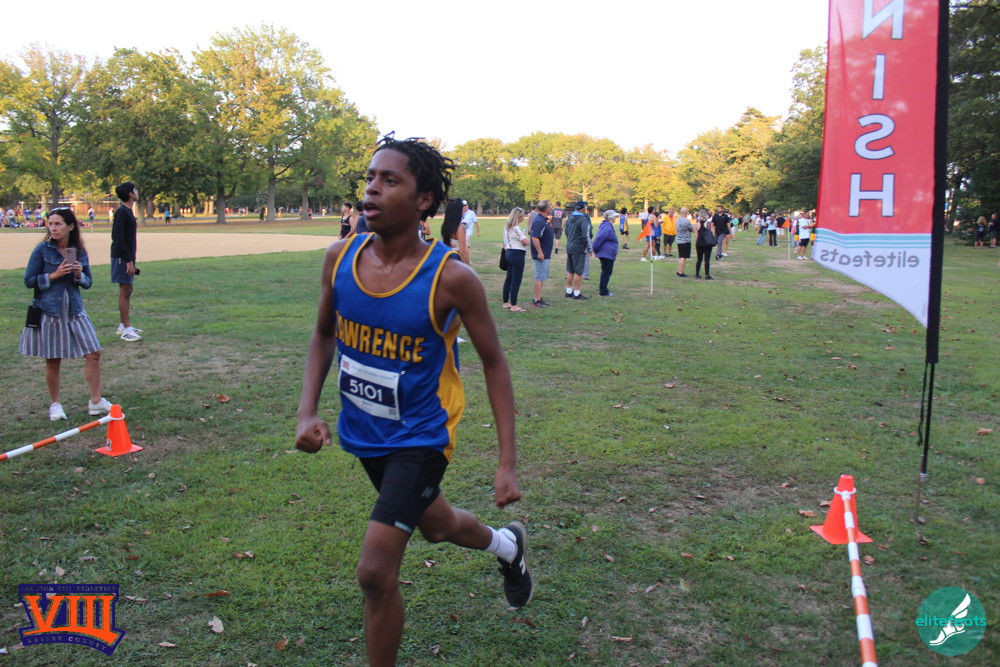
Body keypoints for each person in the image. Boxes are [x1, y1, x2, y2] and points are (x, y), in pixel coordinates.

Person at [295, 136, 531, 667]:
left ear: (424, 200)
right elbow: (324, 334)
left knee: (375, 572)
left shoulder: (452, 278)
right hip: (365, 434)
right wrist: (307, 410)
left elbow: (495, 363)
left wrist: (506, 462)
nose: (372, 190)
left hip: (421, 437)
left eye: (390, 180)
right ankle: (508, 547)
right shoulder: (339, 257)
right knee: (437, 525)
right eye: (370, 178)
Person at [20, 208, 113, 421]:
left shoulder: (76, 251)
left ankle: (96, 401)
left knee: (94, 353)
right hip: (50, 311)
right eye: (51, 224)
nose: (53, 228)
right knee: (53, 360)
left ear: (70, 226)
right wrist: (53, 275)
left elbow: (88, 282)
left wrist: (79, 275)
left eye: (58, 224)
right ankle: (55, 405)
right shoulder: (42, 250)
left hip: (75, 310)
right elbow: (28, 281)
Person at [111, 182, 142, 341]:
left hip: (128, 256)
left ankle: (124, 325)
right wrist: (127, 261)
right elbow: (117, 238)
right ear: (130, 194)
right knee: (124, 290)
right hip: (122, 257)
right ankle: (126, 330)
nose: (136, 192)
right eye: (134, 190)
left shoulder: (128, 211)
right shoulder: (122, 212)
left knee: (129, 289)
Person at [502, 207, 529, 312]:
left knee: (509, 278)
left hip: (508, 252)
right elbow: (525, 241)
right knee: (516, 280)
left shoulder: (507, 227)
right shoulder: (516, 228)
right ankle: (514, 304)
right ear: (519, 217)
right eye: (522, 216)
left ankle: (505, 301)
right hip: (517, 254)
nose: (523, 218)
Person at [563, 201, 592, 299]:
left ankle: (568, 291)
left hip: (570, 245)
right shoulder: (583, 219)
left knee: (570, 270)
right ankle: (577, 293)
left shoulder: (570, 217)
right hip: (578, 247)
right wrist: (589, 248)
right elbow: (585, 235)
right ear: (583, 208)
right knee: (579, 272)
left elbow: (566, 231)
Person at [529, 200, 554, 308]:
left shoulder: (544, 220)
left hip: (545, 253)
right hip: (541, 254)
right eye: (550, 206)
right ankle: (536, 300)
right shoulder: (539, 221)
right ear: (546, 209)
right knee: (539, 276)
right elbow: (535, 237)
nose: (551, 208)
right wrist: (540, 252)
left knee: (542, 276)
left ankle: (539, 298)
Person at [592, 209, 619, 296]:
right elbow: (599, 238)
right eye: (614, 217)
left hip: (607, 252)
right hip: (606, 253)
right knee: (606, 272)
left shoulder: (607, 226)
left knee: (606, 271)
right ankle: (603, 291)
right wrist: (594, 247)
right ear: (611, 218)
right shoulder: (607, 227)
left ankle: (603, 289)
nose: (615, 218)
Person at [694, 215, 716, 280]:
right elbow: (713, 233)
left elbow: (696, 235)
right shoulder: (709, 224)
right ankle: (707, 275)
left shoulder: (697, 224)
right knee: (707, 259)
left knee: (699, 259)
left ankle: (697, 273)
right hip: (707, 243)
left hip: (699, 243)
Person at [675, 207, 694, 277]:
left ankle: (679, 270)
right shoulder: (686, 221)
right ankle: (681, 272)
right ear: (686, 213)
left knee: (680, 257)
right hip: (685, 241)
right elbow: (692, 229)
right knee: (684, 257)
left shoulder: (677, 220)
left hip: (679, 240)